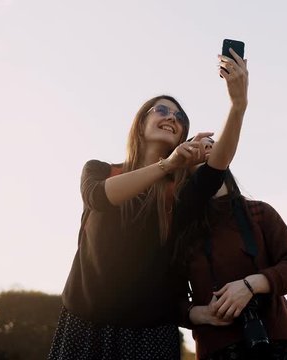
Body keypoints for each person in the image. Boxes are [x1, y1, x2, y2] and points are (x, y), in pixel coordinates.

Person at [48, 48, 249, 359]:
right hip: (84, 325)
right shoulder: (99, 170)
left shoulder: (181, 194)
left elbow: (218, 165)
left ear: (183, 134)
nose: (172, 117)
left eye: (180, 118)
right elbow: (100, 197)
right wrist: (166, 166)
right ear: (140, 123)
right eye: (162, 110)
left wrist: (238, 105)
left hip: (150, 335)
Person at [171, 169, 287, 359]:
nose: (207, 154)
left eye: (212, 149)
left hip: (274, 340)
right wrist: (204, 314)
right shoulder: (182, 233)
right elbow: (169, 303)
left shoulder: (260, 212)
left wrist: (250, 286)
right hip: (217, 348)